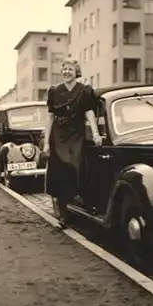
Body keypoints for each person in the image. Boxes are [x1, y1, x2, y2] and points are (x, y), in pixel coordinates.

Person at [43, 59, 102, 229]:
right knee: (60, 171)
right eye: (64, 69)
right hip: (58, 136)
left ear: (77, 72)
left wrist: (96, 134)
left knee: (77, 167)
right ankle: (63, 216)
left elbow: (89, 114)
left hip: (76, 135)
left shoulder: (84, 91)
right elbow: (50, 118)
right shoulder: (54, 92)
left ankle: (83, 204)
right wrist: (46, 142)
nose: (67, 72)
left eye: (70, 69)